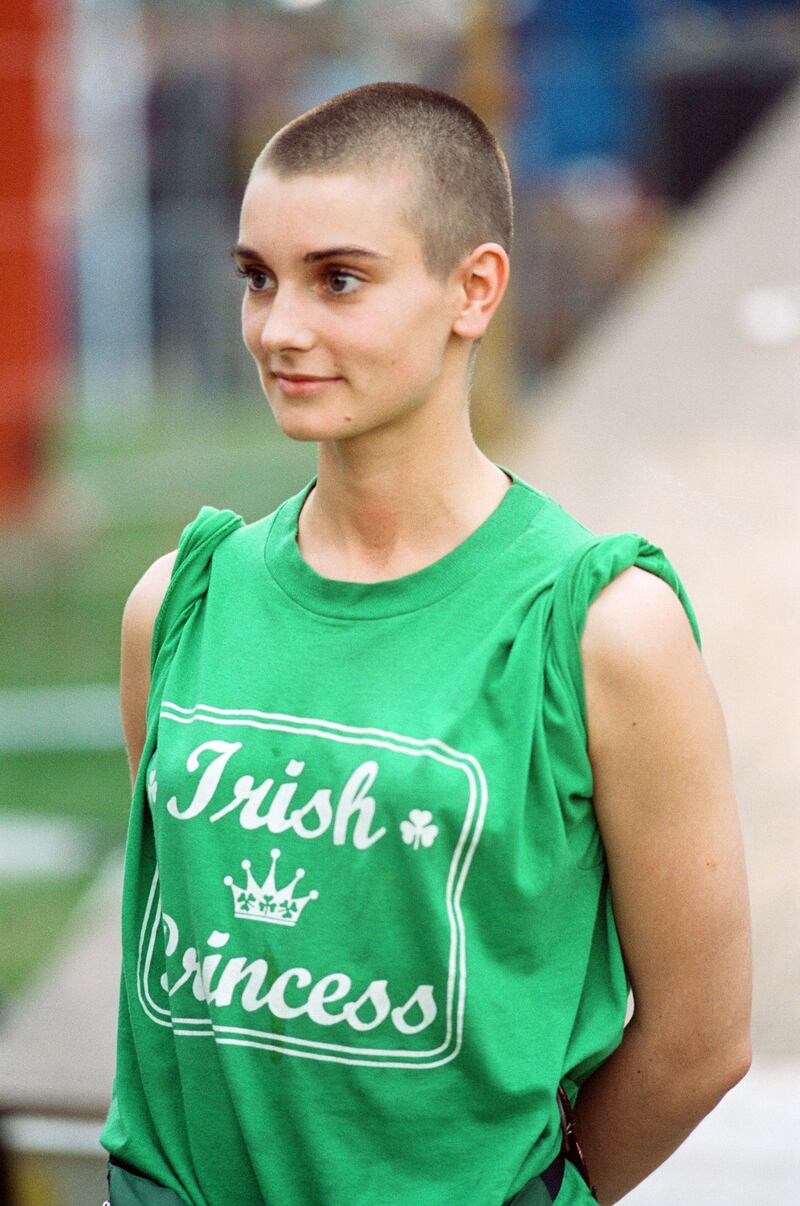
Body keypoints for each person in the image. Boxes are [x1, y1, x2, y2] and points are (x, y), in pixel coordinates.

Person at [99, 82, 752, 1206]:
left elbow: (698, 1040)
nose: (279, 328)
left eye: (337, 279)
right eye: (257, 278)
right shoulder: (178, 604)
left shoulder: (599, 627)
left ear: (472, 290)